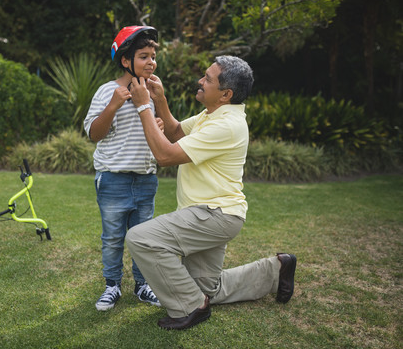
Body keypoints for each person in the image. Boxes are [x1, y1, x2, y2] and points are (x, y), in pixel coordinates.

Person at [125, 55, 297, 330]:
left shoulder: (226, 125)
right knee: (207, 289)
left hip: (214, 215)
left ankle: (191, 307)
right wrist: (159, 101)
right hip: (214, 214)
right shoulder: (214, 113)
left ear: (225, 94)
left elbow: (165, 155)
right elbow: (177, 132)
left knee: (141, 238)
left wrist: (143, 105)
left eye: (207, 79)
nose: (200, 82)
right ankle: (275, 270)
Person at [84, 26, 165, 311]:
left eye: (153, 56)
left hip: (145, 179)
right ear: (125, 60)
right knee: (113, 238)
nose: (151, 62)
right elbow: (94, 134)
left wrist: (158, 127)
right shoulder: (108, 91)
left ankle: (143, 286)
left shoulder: (153, 91)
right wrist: (114, 106)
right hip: (113, 180)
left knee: (144, 238)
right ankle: (112, 286)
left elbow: (152, 134)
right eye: (144, 56)